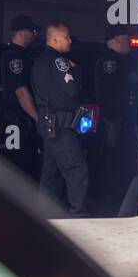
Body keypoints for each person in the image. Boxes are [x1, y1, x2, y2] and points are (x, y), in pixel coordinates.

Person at [30, 23, 88, 217]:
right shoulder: (58, 61)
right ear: (54, 39)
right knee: (76, 169)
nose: (70, 41)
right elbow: (72, 90)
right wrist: (76, 71)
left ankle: (45, 213)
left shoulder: (39, 61)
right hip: (61, 124)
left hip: (47, 123)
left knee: (51, 171)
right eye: (67, 37)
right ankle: (77, 212)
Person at [94, 25, 138, 215]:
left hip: (128, 123)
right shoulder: (109, 63)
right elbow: (110, 97)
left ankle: (122, 199)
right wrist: (115, 121)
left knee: (128, 162)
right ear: (115, 40)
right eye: (125, 38)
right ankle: (113, 200)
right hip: (116, 124)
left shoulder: (127, 61)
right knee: (116, 163)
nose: (129, 42)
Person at [0, 15, 41, 177]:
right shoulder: (14, 57)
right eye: (31, 30)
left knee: (27, 163)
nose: (34, 33)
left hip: (23, 119)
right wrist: (38, 118)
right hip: (15, 119)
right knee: (17, 166)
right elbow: (21, 92)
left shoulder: (25, 55)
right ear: (21, 33)